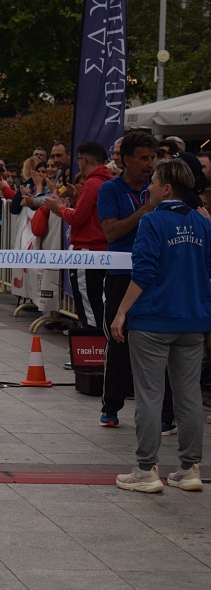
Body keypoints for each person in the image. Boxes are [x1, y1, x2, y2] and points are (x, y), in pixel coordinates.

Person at [111, 159, 211, 493]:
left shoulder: (152, 221)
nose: (149, 187)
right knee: (189, 396)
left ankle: (146, 470)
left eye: (153, 182)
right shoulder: (202, 222)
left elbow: (144, 273)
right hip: (193, 319)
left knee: (150, 396)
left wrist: (122, 311)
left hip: (153, 318)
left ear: (167, 187)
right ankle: (190, 468)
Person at [97, 132, 159, 427]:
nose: (150, 164)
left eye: (153, 157)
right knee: (119, 340)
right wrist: (145, 210)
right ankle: (111, 408)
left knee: (159, 341)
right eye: (144, 158)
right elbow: (110, 231)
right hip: (121, 275)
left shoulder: (159, 187)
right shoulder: (111, 189)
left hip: (155, 276)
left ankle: (165, 414)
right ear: (126, 160)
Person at [43, 142, 113, 328]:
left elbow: (78, 218)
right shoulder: (106, 182)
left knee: (88, 303)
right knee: (96, 300)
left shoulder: (92, 183)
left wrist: (60, 209)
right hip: (100, 249)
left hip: (87, 249)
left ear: (84, 161)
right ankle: (98, 346)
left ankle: (93, 347)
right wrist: (75, 200)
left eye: (78, 160)